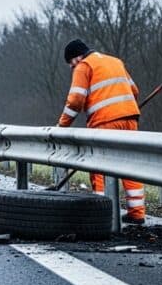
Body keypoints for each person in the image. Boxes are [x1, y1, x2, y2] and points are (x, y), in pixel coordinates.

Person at [57, 39, 146, 224]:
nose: (72, 68)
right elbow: (134, 91)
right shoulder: (115, 61)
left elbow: (75, 101)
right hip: (130, 119)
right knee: (129, 165)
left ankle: (101, 213)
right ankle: (137, 213)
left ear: (77, 57)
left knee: (98, 166)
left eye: (71, 63)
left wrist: (62, 126)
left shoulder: (84, 66)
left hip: (105, 122)